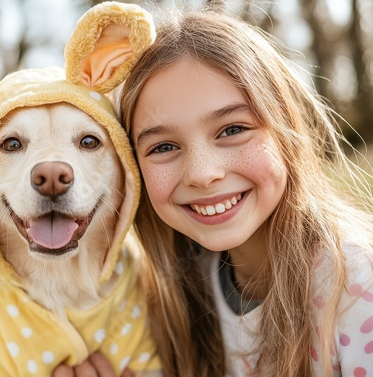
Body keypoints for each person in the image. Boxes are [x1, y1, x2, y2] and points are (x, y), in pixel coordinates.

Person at [113, 8, 373, 377]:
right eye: (163, 147)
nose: (203, 174)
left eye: (232, 129)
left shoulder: (356, 285)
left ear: (284, 129)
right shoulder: (176, 294)